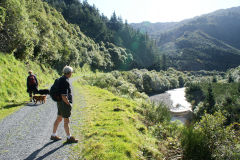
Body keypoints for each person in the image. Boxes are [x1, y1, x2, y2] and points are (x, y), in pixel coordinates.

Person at [50, 66, 78, 143]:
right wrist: (68, 103)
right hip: (63, 103)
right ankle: (69, 138)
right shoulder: (65, 81)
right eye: (71, 72)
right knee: (66, 120)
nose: (72, 73)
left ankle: (53, 135)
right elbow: (63, 95)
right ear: (69, 73)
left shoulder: (60, 79)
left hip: (59, 102)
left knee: (59, 118)